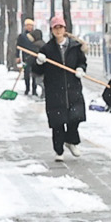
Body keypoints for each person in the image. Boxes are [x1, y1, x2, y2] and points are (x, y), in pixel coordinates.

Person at [38, 16, 89, 156]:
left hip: (73, 89)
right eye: (55, 28)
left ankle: (71, 141)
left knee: (75, 117)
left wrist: (80, 69)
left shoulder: (75, 47)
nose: (58, 30)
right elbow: (38, 71)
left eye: (60, 27)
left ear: (65, 29)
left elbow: (82, 62)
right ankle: (58, 150)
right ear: (52, 30)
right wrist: (39, 62)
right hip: (55, 91)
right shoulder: (47, 49)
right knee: (58, 122)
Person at [16, 18, 47, 96]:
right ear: (25, 26)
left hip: (35, 57)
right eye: (28, 25)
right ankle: (27, 89)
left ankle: (34, 90)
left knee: (34, 74)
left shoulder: (35, 34)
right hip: (26, 57)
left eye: (31, 25)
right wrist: (17, 56)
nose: (29, 27)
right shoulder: (22, 36)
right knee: (26, 73)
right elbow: (18, 46)